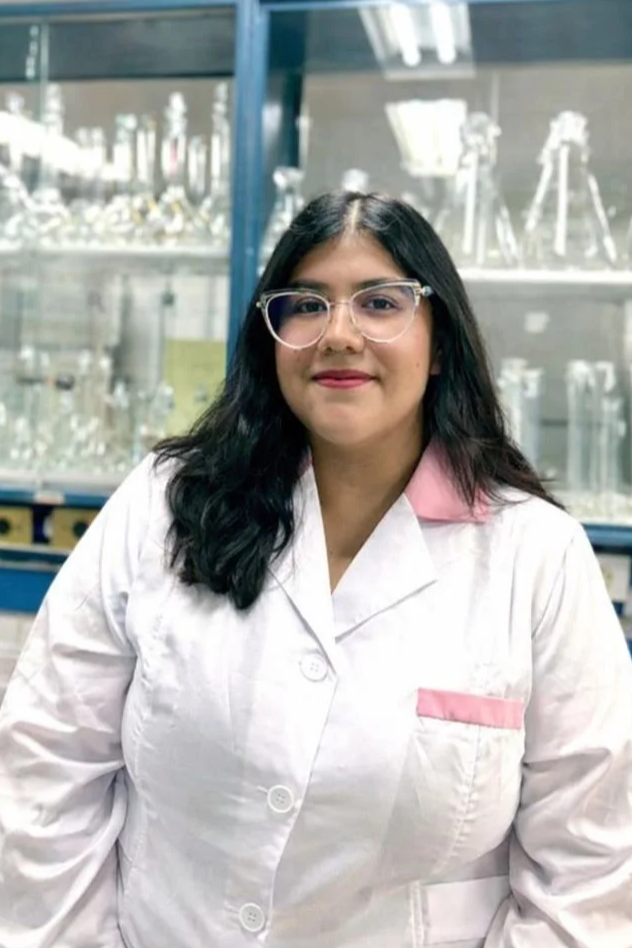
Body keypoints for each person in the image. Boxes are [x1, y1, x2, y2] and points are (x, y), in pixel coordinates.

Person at [0, 191, 631, 948]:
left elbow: (592, 868)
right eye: (305, 304)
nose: (339, 333)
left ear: (440, 345)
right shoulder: (167, 504)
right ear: (270, 338)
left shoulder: (536, 556)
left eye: (381, 302)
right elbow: (44, 761)